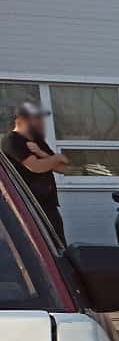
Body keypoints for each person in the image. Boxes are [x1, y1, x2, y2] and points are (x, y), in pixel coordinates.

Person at [3, 102, 68, 243]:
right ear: (21, 119)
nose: (39, 122)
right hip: (30, 206)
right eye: (35, 118)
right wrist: (55, 158)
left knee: (58, 244)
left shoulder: (37, 141)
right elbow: (35, 166)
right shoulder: (12, 140)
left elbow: (62, 167)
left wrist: (41, 153)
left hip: (49, 206)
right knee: (42, 245)